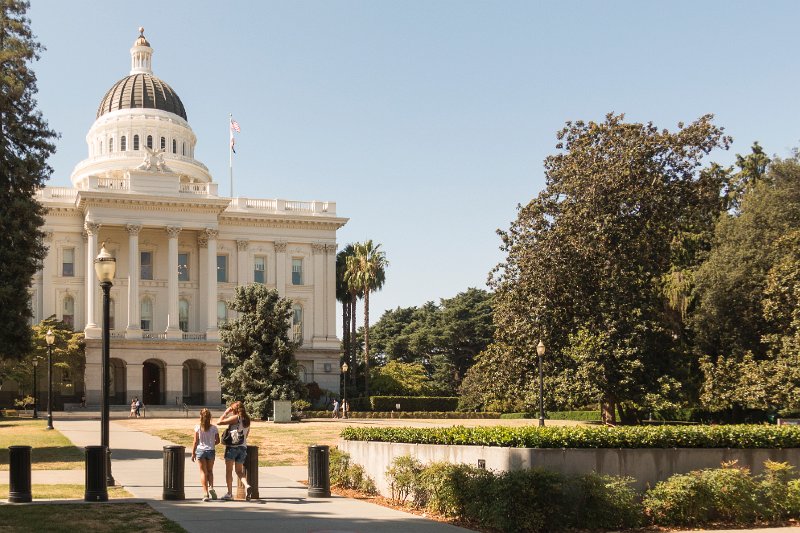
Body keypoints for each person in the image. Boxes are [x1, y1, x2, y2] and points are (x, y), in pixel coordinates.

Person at [218, 401, 252, 500]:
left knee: (229, 471)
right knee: (239, 471)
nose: (231, 411)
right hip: (242, 447)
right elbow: (246, 435)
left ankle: (229, 493)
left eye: (232, 409)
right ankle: (247, 485)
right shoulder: (247, 419)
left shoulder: (236, 418)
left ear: (235, 410)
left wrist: (225, 413)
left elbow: (219, 422)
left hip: (232, 448)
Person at [191, 408, 220, 501]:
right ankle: (211, 487)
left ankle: (205, 493)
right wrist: (211, 444)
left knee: (203, 472)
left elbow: (195, 441)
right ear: (210, 417)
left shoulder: (198, 427)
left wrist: (193, 453)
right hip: (211, 451)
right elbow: (218, 441)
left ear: (200, 416)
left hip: (200, 451)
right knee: (210, 471)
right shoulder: (214, 428)